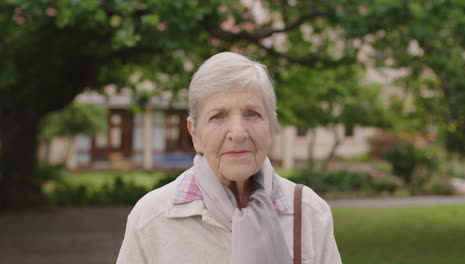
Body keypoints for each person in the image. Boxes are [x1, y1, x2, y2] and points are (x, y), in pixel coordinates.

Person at [116, 52, 342, 264]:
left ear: (272, 125)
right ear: (194, 133)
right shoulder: (150, 220)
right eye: (218, 116)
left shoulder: (309, 212)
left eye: (252, 114)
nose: (238, 133)